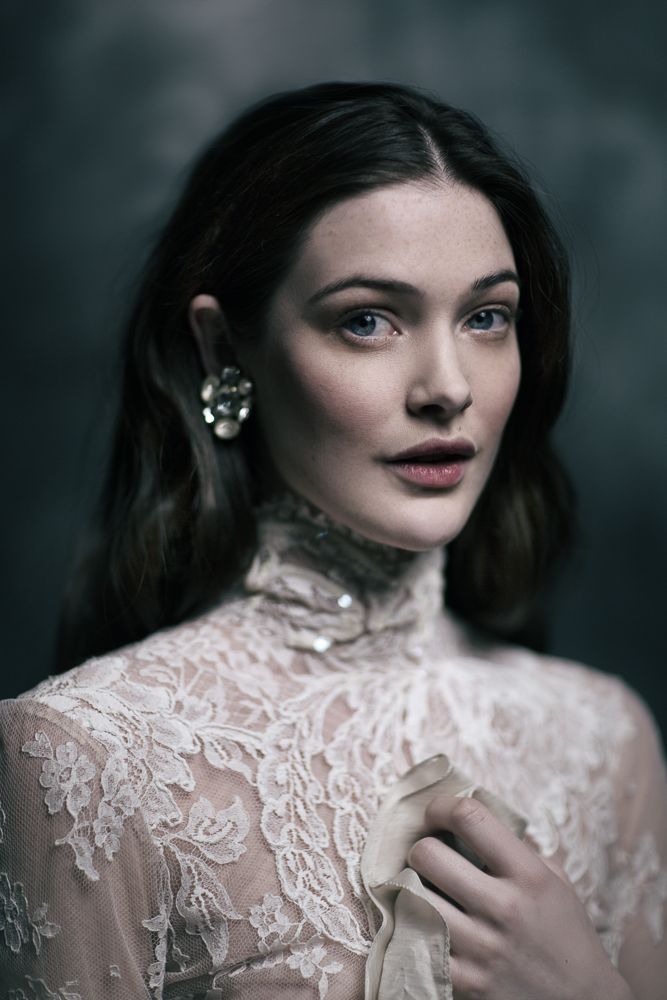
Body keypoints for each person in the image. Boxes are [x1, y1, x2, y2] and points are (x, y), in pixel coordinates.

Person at [0, 81, 665, 1000]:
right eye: (367, 320)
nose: (446, 388)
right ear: (223, 351)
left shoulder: (604, 736)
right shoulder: (86, 753)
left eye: (486, 317)